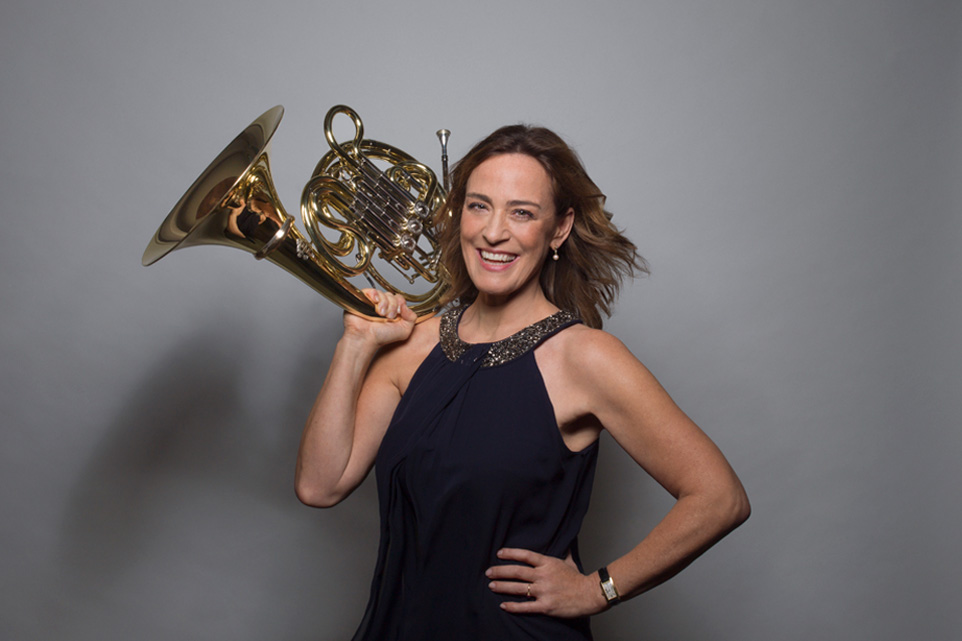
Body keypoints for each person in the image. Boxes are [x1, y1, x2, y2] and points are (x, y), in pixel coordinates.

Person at [295, 124, 750, 640]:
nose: (494, 232)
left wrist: (598, 588)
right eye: (478, 206)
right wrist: (354, 345)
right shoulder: (412, 345)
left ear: (558, 229)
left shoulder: (586, 358)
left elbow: (720, 497)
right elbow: (319, 485)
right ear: (456, 215)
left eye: (522, 212)